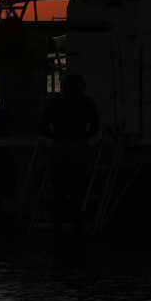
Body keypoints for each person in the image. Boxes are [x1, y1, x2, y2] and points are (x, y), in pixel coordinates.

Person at [38, 73, 101, 231]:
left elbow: (41, 128)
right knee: (78, 189)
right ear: (82, 88)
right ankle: (76, 224)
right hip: (78, 148)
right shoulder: (86, 102)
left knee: (59, 189)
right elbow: (95, 127)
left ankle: (57, 225)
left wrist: (56, 136)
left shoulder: (53, 102)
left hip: (59, 148)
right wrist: (84, 137)